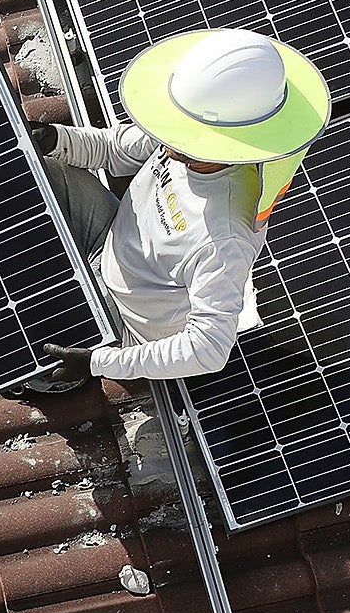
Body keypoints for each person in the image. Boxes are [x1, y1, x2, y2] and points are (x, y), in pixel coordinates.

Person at [36, 28, 330, 385]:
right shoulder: (184, 129)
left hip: (126, 322)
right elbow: (115, 149)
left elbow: (208, 349)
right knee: (35, 166)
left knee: (29, 353)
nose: (167, 137)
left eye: (182, 133)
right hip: (105, 240)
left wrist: (100, 362)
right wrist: (55, 139)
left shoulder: (225, 238)